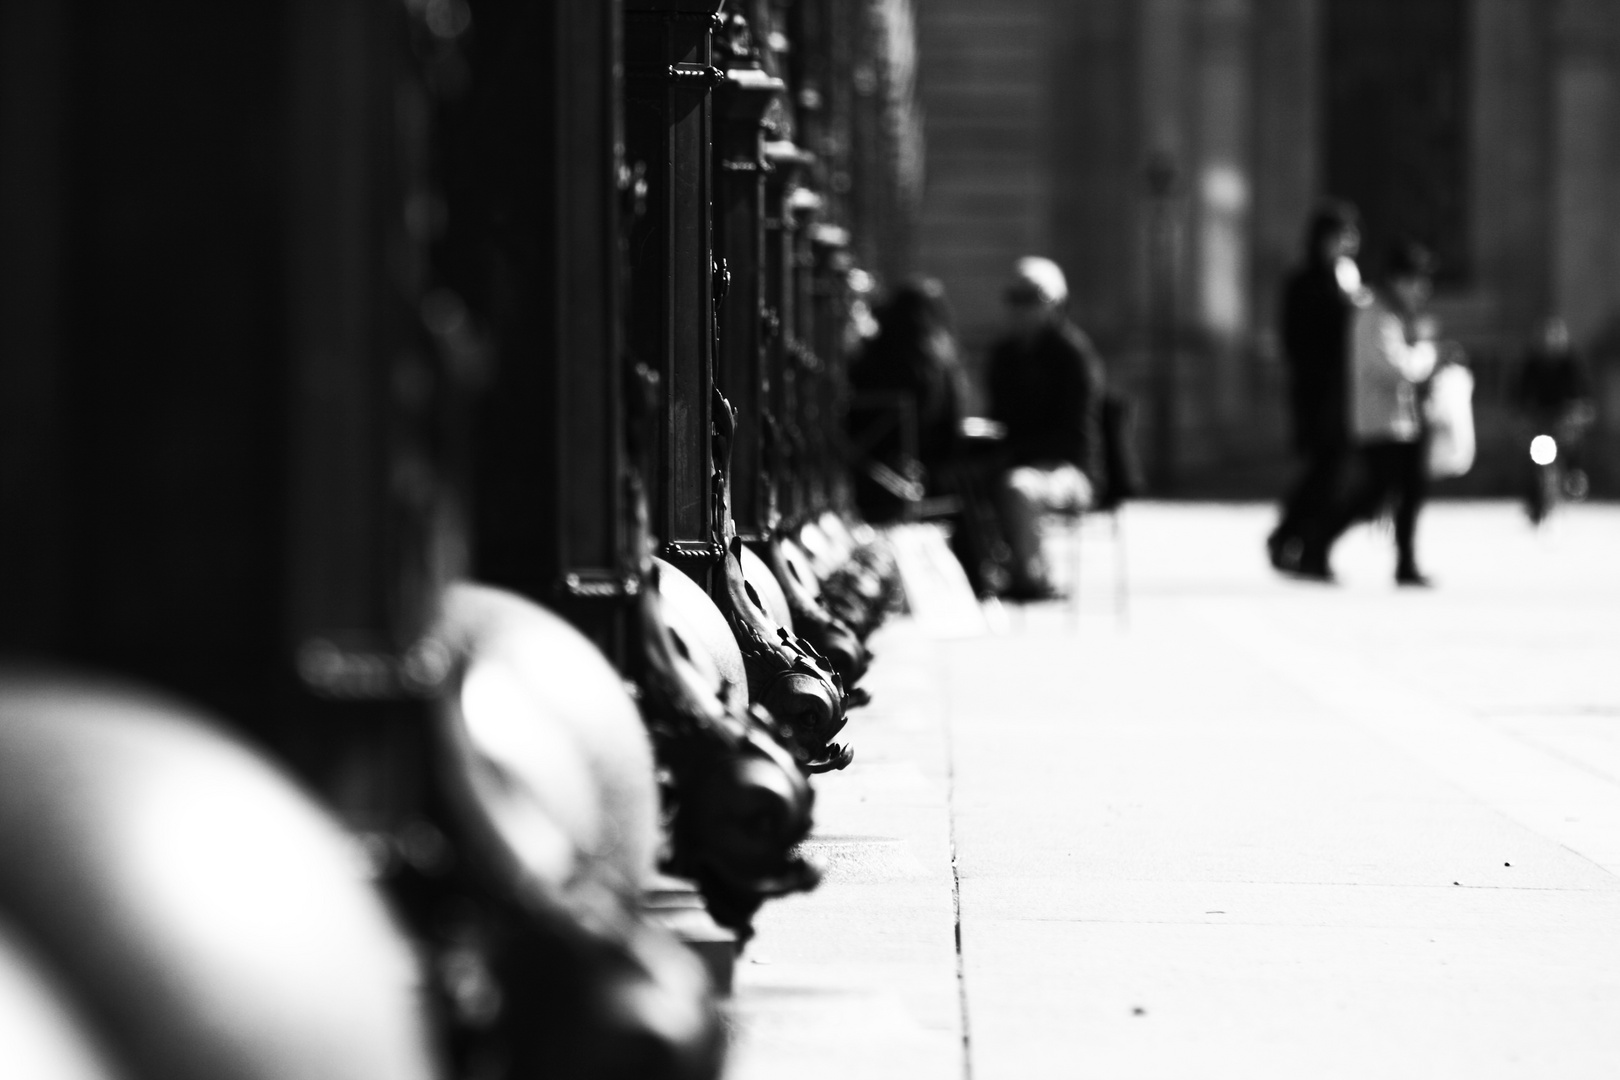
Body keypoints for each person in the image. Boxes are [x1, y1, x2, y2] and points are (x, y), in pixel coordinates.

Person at [1308, 241, 1440, 586]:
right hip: (1381, 422)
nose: (1421, 289)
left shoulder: (1395, 314)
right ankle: (1316, 544)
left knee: (1410, 492)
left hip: (1404, 421)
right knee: (1372, 494)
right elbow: (1393, 366)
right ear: (1397, 279)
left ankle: (1406, 563)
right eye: (1415, 280)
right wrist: (1427, 355)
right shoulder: (1374, 313)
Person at [984, 257, 1106, 599]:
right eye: (1014, 299)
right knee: (963, 480)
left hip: (1066, 469)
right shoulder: (1004, 355)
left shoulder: (1073, 355)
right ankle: (980, 572)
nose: (1020, 310)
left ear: (1054, 305)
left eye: (1031, 300)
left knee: (1018, 487)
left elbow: (1074, 437)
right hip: (1017, 459)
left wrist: (1017, 452)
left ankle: (1032, 578)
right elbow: (998, 419)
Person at [1268, 200, 1363, 574]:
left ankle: (1301, 539)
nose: (1351, 242)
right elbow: (1296, 338)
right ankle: (1300, 540)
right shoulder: (1303, 279)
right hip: (1316, 391)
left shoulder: (1347, 275)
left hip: (1343, 391)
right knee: (1325, 468)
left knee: (1332, 469)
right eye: (1343, 234)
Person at [846, 277, 969, 522]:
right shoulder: (942, 362)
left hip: (876, 479)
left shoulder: (877, 355)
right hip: (924, 478)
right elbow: (951, 430)